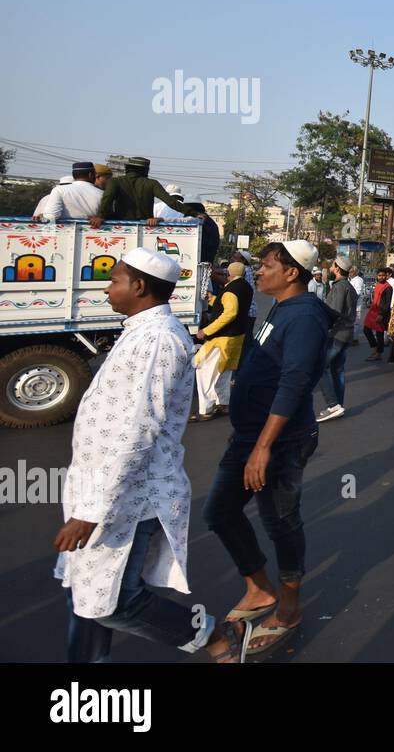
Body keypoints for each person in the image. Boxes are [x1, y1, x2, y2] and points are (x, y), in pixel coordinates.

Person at [55, 247, 253, 663]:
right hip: (104, 490)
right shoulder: (141, 331)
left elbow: (136, 430)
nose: (108, 288)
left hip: (127, 497)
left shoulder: (159, 340)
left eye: (115, 280)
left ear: (139, 286)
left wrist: (93, 509)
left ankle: (216, 637)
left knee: (113, 602)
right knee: (88, 594)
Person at [203, 239, 332, 655]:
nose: (258, 271)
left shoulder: (306, 317)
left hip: (280, 442)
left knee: (281, 522)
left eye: (266, 265)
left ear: (291, 273)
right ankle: (259, 589)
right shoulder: (282, 307)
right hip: (249, 436)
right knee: (220, 511)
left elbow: (294, 383)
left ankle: (289, 608)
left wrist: (262, 446)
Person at [192, 258, 252, 422]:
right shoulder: (245, 287)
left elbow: (230, 312)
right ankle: (223, 403)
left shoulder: (232, 289)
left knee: (204, 370)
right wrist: (212, 299)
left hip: (222, 338)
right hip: (236, 336)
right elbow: (230, 306)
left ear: (229, 273)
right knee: (223, 372)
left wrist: (206, 330)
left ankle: (206, 409)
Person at [89, 157, 197, 227]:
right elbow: (171, 202)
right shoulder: (152, 183)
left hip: (120, 227)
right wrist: (194, 213)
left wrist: (100, 216)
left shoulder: (115, 182)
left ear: (127, 168)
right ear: (146, 170)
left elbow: (107, 199)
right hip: (147, 228)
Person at [317, 260, 358, 422]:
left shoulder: (340, 287)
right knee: (337, 370)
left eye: (333, 264)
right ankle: (337, 406)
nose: (331, 267)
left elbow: (333, 312)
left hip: (337, 334)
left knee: (321, 367)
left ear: (337, 268)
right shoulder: (348, 286)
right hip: (346, 333)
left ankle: (333, 404)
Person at [35, 162, 101, 220]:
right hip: (94, 233)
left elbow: (51, 217)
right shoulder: (101, 193)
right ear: (90, 175)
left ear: (73, 175)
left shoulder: (59, 190)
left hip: (61, 233)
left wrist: (42, 217)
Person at [363, 267, 393, 361]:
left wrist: (381, 314)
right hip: (373, 311)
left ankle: (378, 353)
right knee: (366, 329)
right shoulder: (377, 284)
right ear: (377, 276)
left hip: (381, 313)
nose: (382, 277)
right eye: (380, 275)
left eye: (384, 275)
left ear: (386, 276)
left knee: (379, 334)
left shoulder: (388, 288)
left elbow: (387, 303)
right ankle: (375, 349)